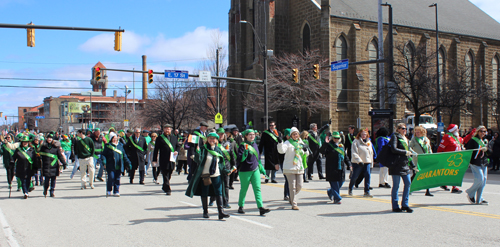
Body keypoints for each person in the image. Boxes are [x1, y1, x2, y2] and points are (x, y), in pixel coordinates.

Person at [185, 132, 232, 220]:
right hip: (205, 175)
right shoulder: (203, 149)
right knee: (205, 192)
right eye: (210, 138)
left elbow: (221, 163)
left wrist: (225, 170)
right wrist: (198, 152)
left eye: (213, 138)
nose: (212, 140)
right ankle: (205, 211)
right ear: (207, 139)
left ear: (216, 140)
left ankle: (221, 212)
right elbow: (197, 160)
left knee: (219, 193)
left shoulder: (218, 150)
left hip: (216, 174)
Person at [236, 129, 271, 216]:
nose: (252, 136)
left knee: (257, 189)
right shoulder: (242, 146)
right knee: (244, 189)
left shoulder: (255, 144)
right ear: (246, 136)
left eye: (253, 134)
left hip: (255, 169)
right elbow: (240, 159)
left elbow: (257, 158)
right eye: (250, 135)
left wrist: (261, 168)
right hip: (245, 170)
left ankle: (260, 208)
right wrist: (245, 153)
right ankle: (240, 206)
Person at [277, 127, 309, 210]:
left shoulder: (301, 142)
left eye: (297, 134)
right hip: (289, 168)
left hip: (299, 167)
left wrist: (305, 149)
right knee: (292, 186)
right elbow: (281, 151)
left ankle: (291, 197)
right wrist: (280, 143)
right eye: (294, 134)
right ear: (291, 135)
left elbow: (306, 153)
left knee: (300, 185)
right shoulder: (287, 143)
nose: (295, 135)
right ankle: (294, 204)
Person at [437, 124, 475, 193]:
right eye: (457, 129)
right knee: (450, 172)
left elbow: (464, 140)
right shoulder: (447, 137)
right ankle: (452, 187)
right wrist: (440, 158)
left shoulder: (457, 138)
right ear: (453, 130)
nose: (458, 130)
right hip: (449, 158)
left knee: (453, 172)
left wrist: (471, 134)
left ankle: (446, 184)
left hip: (457, 158)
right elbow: (440, 148)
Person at [390, 123, 417, 213]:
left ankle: (405, 204)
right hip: (396, 165)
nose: (404, 130)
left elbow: (408, 154)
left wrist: (413, 165)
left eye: (405, 128)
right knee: (396, 186)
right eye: (402, 128)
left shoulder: (406, 139)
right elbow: (393, 149)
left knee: (408, 183)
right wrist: (405, 152)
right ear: (398, 129)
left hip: (405, 165)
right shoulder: (395, 137)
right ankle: (395, 205)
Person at [320, 131, 351, 204]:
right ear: (332, 138)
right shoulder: (329, 145)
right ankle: (337, 198)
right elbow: (322, 151)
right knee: (334, 184)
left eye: (337, 138)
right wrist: (325, 143)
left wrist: (349, 164)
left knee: (341, 182)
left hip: (340, 167)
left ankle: (330, 191)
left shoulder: (341, 146)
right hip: (332, 168)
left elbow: (345, 156)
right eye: (335, 138)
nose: (336, 139)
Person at [465, 126, 491, 205]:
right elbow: (468, 151)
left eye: (484, 131)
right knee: (480, 179)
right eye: (481, 131)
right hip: (475, 163)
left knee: (483, 181)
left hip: (484, 162)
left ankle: (479, 199)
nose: (483, 133)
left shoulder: (485, 141)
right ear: (478, 132)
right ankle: (470, 192)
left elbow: (490, 152)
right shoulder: (473, 140)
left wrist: (486, 149)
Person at [101, 132, 131, 197]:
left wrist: (128, 163)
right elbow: (103, 155)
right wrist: (104, 161)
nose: (115, 139)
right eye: (113, 138)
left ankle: (116, 191)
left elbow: (124, 156)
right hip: (111, 165)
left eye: (116, 138)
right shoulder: (108, 146)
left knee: (117, 179)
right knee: (111, 178)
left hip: (119, 165)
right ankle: (109, 190)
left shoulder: (120, 145)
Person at [152, 124, 179, 195]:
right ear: (163, 129)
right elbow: (156, 149)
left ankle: (164, 186)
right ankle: (168, 189)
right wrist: (154, 159)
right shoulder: (160, 138)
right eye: (166, 129)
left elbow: (177, 146)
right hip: (163, 159)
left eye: (169, 129)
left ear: (171, 130)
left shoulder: (174, 138)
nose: (167, 130)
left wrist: (177, 151)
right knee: (165, 173)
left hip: (172, 159)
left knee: (170, 172)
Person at [39, 133, 68, 197]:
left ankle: (52, 191)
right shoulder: (43, 147)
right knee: (46, 180)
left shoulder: (56, 147)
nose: (49, 139)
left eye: (51, 138)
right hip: (46, 165)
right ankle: (45, 189)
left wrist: (64, 163)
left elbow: (60, 156)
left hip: (54, 165)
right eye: (48, 138)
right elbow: (40, 156)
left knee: (53, 180)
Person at [348, 128, 374, 197]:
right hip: (358, 163)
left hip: (367, 161)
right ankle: (350, 188)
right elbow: (354, 152)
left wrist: (371, 162)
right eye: (362, 134)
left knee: (367, 175)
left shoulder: (369, 142)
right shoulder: (356, 141)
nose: (364, 136)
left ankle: (367, 191)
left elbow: (371, 153)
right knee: (355, 176)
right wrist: (359, 161)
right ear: (359, 134)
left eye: (365, 134)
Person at [409, 126, 433, 196]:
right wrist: (413, 153)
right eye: (416, 132)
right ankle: (410, 188)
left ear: (422, 132)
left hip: (426, 159)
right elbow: (409, 147)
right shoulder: (414, 139)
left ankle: (427, 190)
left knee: (427, 174)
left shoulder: (426, 139)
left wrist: (431, 156)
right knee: (416, 174)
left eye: (418, 132)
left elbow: (429, 149)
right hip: (417, 159)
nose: (417, 133)